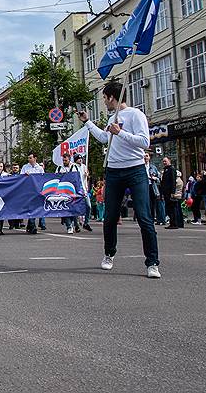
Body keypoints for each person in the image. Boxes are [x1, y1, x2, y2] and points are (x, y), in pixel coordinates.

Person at [78, 80, 161, 278]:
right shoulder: (111, 118)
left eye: (105, 98)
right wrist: (87, 121)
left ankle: (152, 263)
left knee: (144, 216)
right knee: (110, 217)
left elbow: (144, 142)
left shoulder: (135, 114)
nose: (104, 102)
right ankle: (109, 253)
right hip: (114, 171)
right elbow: (105, 138)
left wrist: (120, 132)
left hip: (135, 170)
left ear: (112, 97)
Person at [21, 152, 46, 234]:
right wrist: (25, 175)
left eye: (30, 158)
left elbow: (42, 178)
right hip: (28, 190)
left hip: (37, 191)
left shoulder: (39, 168)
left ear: (35, 158)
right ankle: (32, 226)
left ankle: (31, 225)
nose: (29, 159)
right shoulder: (25, 167)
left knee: (35, 209)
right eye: (28, 158)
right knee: (31, 208)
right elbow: (20, 177)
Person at [56, 154, 80, 234]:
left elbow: (78, 180)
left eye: (65, 160)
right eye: (63, 160)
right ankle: (69, 226)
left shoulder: (75, 167)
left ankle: (76, 224)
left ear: (69, 160)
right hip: (62, 192)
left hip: (73, 192)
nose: (64, 162)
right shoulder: (59, 168)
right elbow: (55, 178)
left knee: (73, 209)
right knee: (65, 209)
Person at [161, 157, 181, 229]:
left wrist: (172, 192)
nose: (164, 163)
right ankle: (172, 223)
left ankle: (174, 223)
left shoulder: (171, 169)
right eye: (163, 161)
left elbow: (173, 181)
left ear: (169, 161)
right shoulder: (165, 170)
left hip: (170, 192)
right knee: (168, 208)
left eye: (165, 161)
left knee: (172, 208)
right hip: (166, 192)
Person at [73, 155, 93, 231]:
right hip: (77, 190)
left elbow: (86, 177)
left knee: (88, 206)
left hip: (84, 190)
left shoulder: (84, 166)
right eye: (78, 159)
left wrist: (87, 175)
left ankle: (86, 223)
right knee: (76, 208)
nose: (80, 160)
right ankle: (76, 225)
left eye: (81, 158)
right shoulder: (73, 167)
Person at [144, 152, 164, 225]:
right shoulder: (141, 167)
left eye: (146, 156)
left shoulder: (153, 167)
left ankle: (152, 218)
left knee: (153, 203)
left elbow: (159, 178)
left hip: (152, 186)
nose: (145, 158)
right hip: (144, 186)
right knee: (146, 203)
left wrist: (154, 178)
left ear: (149, 157)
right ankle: (147, 218)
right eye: (144, 156)